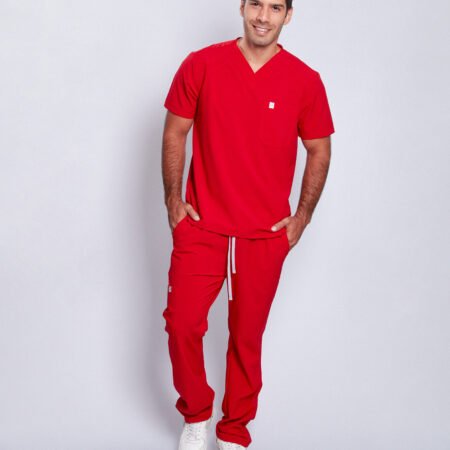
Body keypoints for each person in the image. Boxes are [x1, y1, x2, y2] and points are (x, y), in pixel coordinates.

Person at [161, 0, 335, 448]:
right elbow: (175, 129)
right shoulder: (201, 64)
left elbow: (319, 148)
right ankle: (196, 414)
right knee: (182, 324)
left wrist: (301, 217)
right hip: (202, 226)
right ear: (242, 6)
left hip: (263, 235)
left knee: (246, 337)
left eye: (275, 7)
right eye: (255, 3)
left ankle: (234, 430)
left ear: (288, 15)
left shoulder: (305, 81)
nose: (263, 16)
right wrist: (173, 201)